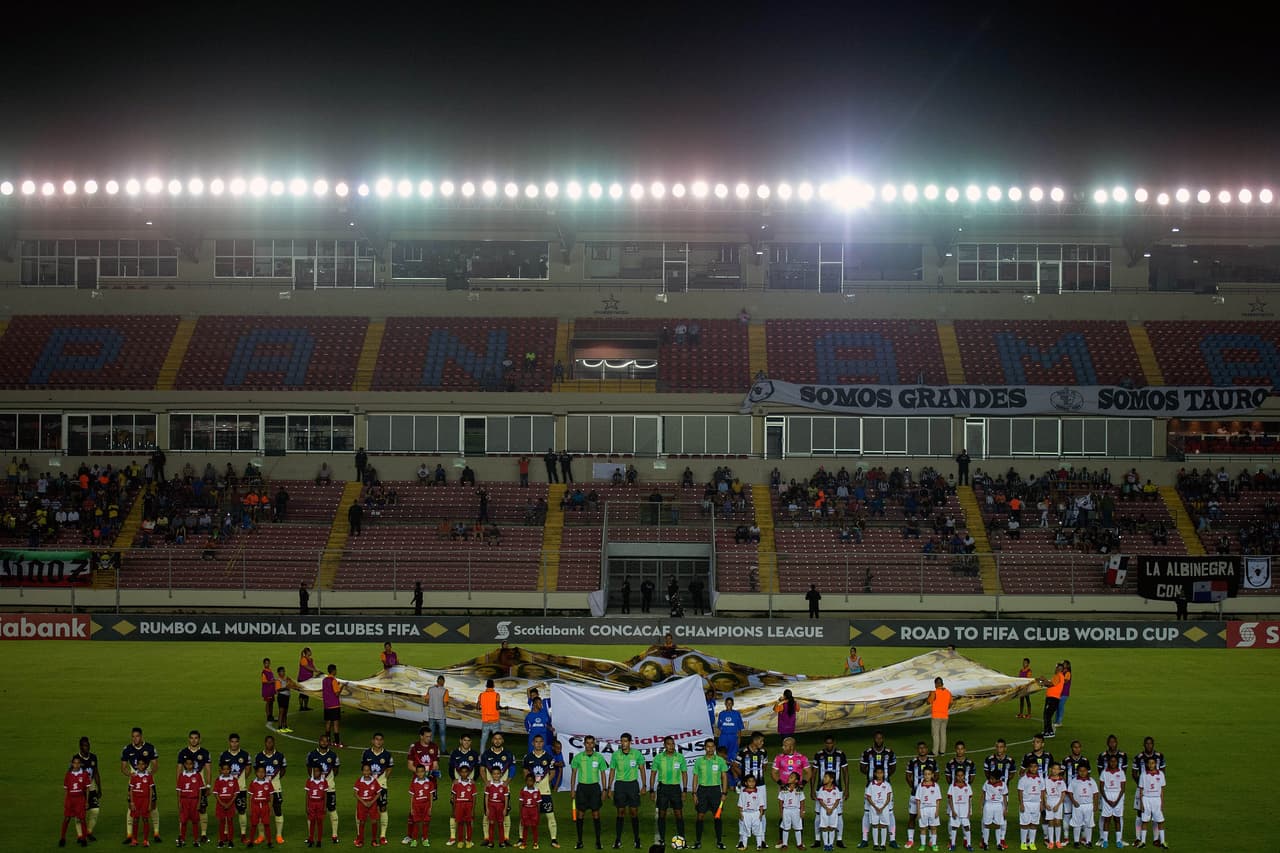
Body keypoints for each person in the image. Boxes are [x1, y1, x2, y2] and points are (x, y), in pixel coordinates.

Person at [121, 727, 160, 845]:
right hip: (134, 781)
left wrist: (148, 775)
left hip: (147, 781)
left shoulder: (149, 747)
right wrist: (131, 775)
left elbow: (155, 765)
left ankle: (156, 833)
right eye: (133, 736)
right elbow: (123, 767)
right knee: (131, 807)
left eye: (137, 736)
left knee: (152, 806)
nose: (135, 738)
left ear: (141, 736)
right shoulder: (127, 749)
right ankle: (129, 835)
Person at [607, 732, 646, 849]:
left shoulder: (637, 754)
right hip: (620, 786)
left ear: (630, 742)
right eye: (621, 741)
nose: (623, 743)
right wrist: (609, 788)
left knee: (634, 812)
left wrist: (644, 785)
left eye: (625, 741)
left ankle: (637, 840)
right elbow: (612, 771)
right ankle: (618, 840)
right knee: (620, 812)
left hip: (632, 785)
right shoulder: (615, 755)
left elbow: (642, 770)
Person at [523, 734, 561, 849]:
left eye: (540, 742)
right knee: (525, 817)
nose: (538, 744)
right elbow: (525, 772)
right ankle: (522, 839)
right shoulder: (528, 757)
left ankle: (554, 840)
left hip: (545, 792)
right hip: (531, 792)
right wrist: (530, 784)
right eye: (536, 742)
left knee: (550, 816)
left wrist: (544, 782)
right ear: (532, 743)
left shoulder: (549, 757)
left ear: (543, 743)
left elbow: (553, 773)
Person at [690, 738, 729, 850]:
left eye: (712, 746)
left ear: (715, 748)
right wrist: (694, 793)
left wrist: (724, 792)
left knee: (717, 816)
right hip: (702, 791)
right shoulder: (699, 761)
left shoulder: (720, 761)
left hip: (716, 791)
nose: (710, 749)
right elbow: (695, 777)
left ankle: (719, 841)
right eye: (708, 746)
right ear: (704, 748)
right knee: (700, 815)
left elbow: (724, 777)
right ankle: (698, 841)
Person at [570, 735, 608, 849]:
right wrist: (572, 790)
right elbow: (573, 774)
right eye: (588, 743)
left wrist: (604, 789)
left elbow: (602, 774)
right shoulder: (578, 757)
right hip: (582, 788)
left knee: (595, 814)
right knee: (580, 814)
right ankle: (580, 841)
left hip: (595, 788)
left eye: (592, 743)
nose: (590, 745)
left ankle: (598, 841)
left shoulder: (599, 757)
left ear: (594, 744)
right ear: (584, 744)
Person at [404, 727, 441, 844]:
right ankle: (409, 836)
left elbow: (435, 765)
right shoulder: (414, 748)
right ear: (421, 736)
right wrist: (421, 774)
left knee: (427, 809)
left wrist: (430, 774)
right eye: (427, 736)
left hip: (430, 783)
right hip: (417, 782)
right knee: (413, 811)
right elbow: (410, 765)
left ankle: (424, 837)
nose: (429, 738)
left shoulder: (434, 747)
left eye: (430, 736)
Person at [810, 736, 847, 849]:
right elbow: (814, 773)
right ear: (824, 743)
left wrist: (847, 789)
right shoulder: (819, 755)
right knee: (818, 814)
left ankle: (839, 839)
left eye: (830, 743)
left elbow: (845, 772)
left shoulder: (840, 754)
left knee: (839, 815)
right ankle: (817, 839)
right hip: (821, 790)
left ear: (834, 743)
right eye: (827, 743)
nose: (829, 745)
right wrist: (812, 790)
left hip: (837, 790)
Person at [176, 729, 213, 844]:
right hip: (186, 788)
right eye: (192, 738)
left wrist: (208, 785)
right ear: (189, 739)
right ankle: (181, 835)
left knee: (202, 809)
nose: (194, 740)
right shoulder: (182, 752)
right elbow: (179, 770)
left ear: (199, 739)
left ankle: (203, 834)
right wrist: (179, 785)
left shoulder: (205, 752)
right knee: (183, 810)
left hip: (200, 787)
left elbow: (208, 770)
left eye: (196, 738)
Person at [480, 733, 517, 844]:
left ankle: (505, 838)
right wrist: (486, 782)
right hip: (490, 789)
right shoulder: (486, 754)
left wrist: (507, 782)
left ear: (502, 741)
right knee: (487, 813)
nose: (497, 741)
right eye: (495, 739)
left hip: (504, 789)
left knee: (506, 813)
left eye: (499, 739)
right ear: (492, 740)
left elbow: (513, 769)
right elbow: (482, 769)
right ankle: (486, 838)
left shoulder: (508, 754)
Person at [306, 734, 342, 845]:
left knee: (332, 809)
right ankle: (311, 837)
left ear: (328, 743)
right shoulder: (311, 755)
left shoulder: (333, 755)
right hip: (315, 788)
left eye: (326, 741)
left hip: (329, 787)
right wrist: (316, 782)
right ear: (319, 741)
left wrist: (326, 781)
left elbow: (336, 770)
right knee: (311, 812)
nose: (324, 743)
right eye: (322, 741)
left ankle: (334, 835)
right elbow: (309, 769)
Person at [651, 736, 687, 846]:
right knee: (662, 814)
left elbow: (684, 774)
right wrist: (651, 790)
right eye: (668, 744)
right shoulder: (658, 758)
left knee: (679, 814)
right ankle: (661, 838)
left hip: (676, 789)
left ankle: (682, 838)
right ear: (664, 745)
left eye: (673, 743)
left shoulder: (680, 757)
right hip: (663, 789)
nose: (671, 746)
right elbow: (653, 774)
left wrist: (685, 790)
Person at [1129, 738, 1164, 847]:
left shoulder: (1159, 756)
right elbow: (1134, 773)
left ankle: (1156, 839)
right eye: (1147, 744)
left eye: (1150, 743)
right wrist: (1142, 785)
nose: (1149, 745)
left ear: (1153, 744)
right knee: (1140, 813)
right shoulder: (1138, 757)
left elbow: (1163, 772)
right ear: (1143, 745)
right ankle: (1138, 838)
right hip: (1142, 789)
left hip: (1155, 792)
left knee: (1155, 814)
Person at [219, 734, 252, 845]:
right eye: (232, 741)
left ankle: (243, 834)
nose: (234, 744)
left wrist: (240, 781)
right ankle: (226, 834)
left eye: (236, 741)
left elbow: (248, 770)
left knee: (242, 811)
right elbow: (221, 770)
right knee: (227, 812)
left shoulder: (245, 754)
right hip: (227, 790)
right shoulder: (224, 755)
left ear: (239, 742)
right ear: (229, 742)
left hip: (241, 788)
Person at [901, 740, 934, 850]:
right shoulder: (912, 762)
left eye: (924, 748)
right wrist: (915, 788)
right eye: (920, 748)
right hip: (914, 795)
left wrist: (928, 788)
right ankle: (910, 840)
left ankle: (930, 841)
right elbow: (908, 776)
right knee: (912, 817)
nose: (922, 750)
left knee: (929, 818)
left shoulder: (932, 762)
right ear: (917, 750)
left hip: (929, 796)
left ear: (927, 749)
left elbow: (937, 776)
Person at [254, 735, 287, 846]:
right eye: (267, 742)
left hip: (276, 788)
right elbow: (256, 771)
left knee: (277, 810)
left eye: (271, 742)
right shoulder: (259, 756)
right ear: (265, 743)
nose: (269, 744)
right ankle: (261, 836)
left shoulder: (280, 756)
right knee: (260, 813)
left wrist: (274, 781)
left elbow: (283, 770)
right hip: (261, 789)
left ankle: (278, 835)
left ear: (274, 743)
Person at [363, 733, 395, 847]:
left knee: (382, 807)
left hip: (382, 785)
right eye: (376, 739)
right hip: (368, 785)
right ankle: (362, 835)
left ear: (383, 741)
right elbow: (364, 768)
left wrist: (385, 778)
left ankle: (382, 835)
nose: (379, 742)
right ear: (372, 741)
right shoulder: (366, 753)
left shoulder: (386, 754)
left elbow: (390, 767)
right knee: (367, 808)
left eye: (381, 740)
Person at [72, 736, 102, 842]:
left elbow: (96, 773)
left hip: (92, 786)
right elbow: (71, 775)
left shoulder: (93, 757)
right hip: (80, 790)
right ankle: (80, 835)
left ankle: (89, 831)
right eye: (84, 745)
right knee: (79, 813)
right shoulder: (76, 759)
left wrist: (99, 788)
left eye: (88, 745)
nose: (87, 747)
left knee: (95, 810)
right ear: (80, 747)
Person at [62, 753, 90, 848]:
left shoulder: (85, 774)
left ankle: (84, 839)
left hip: (80, 799)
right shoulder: (68, 775)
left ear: (80, 764)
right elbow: (66, 789)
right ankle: (62, 838)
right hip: (70, 800)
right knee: (67, 819)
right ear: (72, 764)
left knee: (82, 819)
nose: (76, 765)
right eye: (74, 763)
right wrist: (66, 801)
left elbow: (87, 789)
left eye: (78, 763)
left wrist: (86, 801)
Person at [1098, 754, 1126, 849]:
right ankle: (1105, 840)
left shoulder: (1121, 772)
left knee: (1117, 819)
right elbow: (1101, 788)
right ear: (1108, 762)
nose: (1113, 763)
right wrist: (1107, 800)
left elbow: (1122, 788)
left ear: (1117, 762)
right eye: (1111, 761)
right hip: (1107, 797)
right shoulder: (1104, 773)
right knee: (1107, 819)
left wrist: (1117, 800)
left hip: (1118, 797)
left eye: (1115, 761)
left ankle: (1118, 840)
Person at [911, 768, 942, 853]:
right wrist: (918, 811)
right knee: (923, 828)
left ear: (932, 775)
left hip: (933, 808)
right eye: (925, 774)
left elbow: (938, 800)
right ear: (923, 775)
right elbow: (918, 800)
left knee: (933, 827)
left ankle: (934, 844)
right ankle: (923, 844)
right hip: (923, 809)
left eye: (929, 774)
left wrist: (937, 811)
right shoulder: (920, 786)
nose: (927, 776)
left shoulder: (936, 786)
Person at [1067, 764, 1098, 848]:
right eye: (1080, 771)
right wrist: (1073, 801)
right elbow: (1069, 792)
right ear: (1078, 772)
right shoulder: (1074, 781)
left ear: (1087, 771)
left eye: (1084, 771)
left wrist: (1095, 805)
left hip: (1089, 805)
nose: (1082, 773)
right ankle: (1076, 842)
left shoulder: (1091, 781)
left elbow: (1095, 793)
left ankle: (1089, 841)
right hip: (1078, 806)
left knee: (1089, 824)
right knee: (1077, 824)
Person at [1016, 761, 1044, 852]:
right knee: (1025, 824)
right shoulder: (1023, 779)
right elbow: (1020, 791)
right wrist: (1021, 804)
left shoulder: (1040, 778)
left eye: (1035, 767)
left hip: (1036, 804)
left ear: (1037, 768)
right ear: (1028, 767)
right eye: (1031, 767)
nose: (1033, 768)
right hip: (1026, 803)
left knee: (1034, 824)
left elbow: (1042, 791)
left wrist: (1041, 803)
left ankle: (1032, 842)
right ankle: (1023, 842)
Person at [862, 768, 892, 852]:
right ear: (875, 774)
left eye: (881, 773)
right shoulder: (871, 785)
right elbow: (868, 797)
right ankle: (875, 844)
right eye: (877, 773)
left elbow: (888, 798)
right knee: (875, 825)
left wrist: (882, 807)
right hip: (874, 808)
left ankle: (882, 844)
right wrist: (875, 807)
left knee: (883, 825)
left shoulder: (887, 785)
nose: (879, 775)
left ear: (883, 774)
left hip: (884, 808)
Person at [129, 758, 157, 848]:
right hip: (136, 800)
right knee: (135, 820)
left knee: (145, 819)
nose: (141, 766)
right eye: (139, 764)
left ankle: (145, 840)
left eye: (143, 764)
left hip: (145, 800)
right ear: (136, 765)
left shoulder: (149, 776)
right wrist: (132, 802)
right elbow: (131, 790)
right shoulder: (133, 776)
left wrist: (149, 804)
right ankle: (134, 840)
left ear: (146, 765)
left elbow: (151, 790)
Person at [354, 763, 383, 849]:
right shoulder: (359, 781)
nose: (366, 772)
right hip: (362, 804)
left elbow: (379, 793)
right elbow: (355, 794)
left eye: (368, 770)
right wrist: (364, 802)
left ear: (370, 771)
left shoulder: (374, 781)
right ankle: (361, 840)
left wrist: (372, 802)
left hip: (372, 804)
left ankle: (374, 840)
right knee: (362, 822)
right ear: (362, 771)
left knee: (374, 821)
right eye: (364, 770)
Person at [177, 755, 203, 847]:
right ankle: (182, 840)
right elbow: (179, 790)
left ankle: (196, 840)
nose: (189, 766)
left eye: (191, 764)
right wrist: (179, 802)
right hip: (184, 801)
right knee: (183, 821)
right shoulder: (181, 776)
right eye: (187, 764)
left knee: (195, 821)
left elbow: (200, 790)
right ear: (184, 765)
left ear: (193, 764)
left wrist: (199, 802)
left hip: (194, 801)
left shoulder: (197, 775)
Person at [409, 762, 437, 847]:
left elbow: (431, 795)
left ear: (425, 772)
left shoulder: (429, 783)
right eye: (418, 772)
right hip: (416, 806)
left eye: (422, 771)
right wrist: (411, 808)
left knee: (425, 822)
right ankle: (414, 840)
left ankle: (425, 839)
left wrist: (430, 808)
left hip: (426, 805)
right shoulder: (414, 783)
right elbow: (412, 797)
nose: (420, 773)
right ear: (416, 773)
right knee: (416, 823)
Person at [213, 760, 240, 849]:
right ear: (220, 770)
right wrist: (222, 803)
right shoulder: (218, 780)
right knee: (221, 822)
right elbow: (216, 794)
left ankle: (230, 840)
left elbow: (236, 794)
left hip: (230, 803)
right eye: (223, 769)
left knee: (230, 822)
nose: (225, 771)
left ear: (230, 770)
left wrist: (229, 803)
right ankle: (221, 840)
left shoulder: (234, 780)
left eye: (227, 769)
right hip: (221, 803)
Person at [980, 770, 1008, 852]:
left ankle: (998, 843)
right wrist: (981, 805)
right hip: (988, 805)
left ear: (998, 779)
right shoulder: (987, 783)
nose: (991, 780)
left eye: (993, 779)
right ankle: (985, 843)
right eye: (990, 778)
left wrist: (1005, 808)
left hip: (998, 805)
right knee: (987, 824)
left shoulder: (1003, 785)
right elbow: (983, 794)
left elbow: (1004, 797)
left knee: (998, 824)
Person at [737, 773, 766, 851]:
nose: (752, 783)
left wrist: (761, 813)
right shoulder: (743, 793)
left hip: (756, 813)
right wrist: (741, 813)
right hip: (746, 813)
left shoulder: (758, 792)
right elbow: (740, 805)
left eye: (753, 781)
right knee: (745, 829)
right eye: (749, 781)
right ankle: (744, 845)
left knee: (758, 829)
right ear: (746, 783)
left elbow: (761, 804)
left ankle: (759, 845)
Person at [778, 772, 807, 850]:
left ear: (796, 781)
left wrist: (802, 811)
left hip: (796, 811)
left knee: (797, 827)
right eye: (789, 776)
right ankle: (784, 844)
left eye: (792, 777)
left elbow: (802, 801)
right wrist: (781, 811)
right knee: (785, 827)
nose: (789, 777)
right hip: (786, 810)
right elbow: (780, 801)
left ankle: (799, 844)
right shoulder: (783, 789)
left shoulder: (799, 789)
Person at [451, 764, 478, 848]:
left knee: (469, 823)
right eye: (462, 772)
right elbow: (454, 798)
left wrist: (473, 809)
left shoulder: (472, 783)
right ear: (459, 773)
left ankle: (469, 840)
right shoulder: (456, 783)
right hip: (459, 805)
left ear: (469, 773)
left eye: (466, 772)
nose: (464, 774)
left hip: (468, 805)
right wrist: (454, 809)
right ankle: (460, 841)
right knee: (460, 823)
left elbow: (474, 798)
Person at [946, 769, 973, 852]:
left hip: (965, 811)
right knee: (954, 827)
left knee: (966, 827)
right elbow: (950, 799)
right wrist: (952, 811)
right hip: (956, 811)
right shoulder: (952, 786)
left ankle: (969, 844)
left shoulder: (967, 786)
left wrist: (969, 811)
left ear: (964, 776)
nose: (960, 777)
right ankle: (953, 844)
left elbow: (969, 800)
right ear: (955, 776)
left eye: (961, 775)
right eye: (958, 775)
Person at [248, 765, 274, 848]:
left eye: (263, 772)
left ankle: (269, 842)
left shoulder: (268, 783)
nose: (261, 774)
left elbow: (271, 796)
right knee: (254, 824)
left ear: (265, 773)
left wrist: (270, 807)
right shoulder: (253, 783)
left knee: (266, 824)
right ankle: (251, 841)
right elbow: (250, 797)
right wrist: (250, 808)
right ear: (256, 773)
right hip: (255, 806)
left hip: (265, 806)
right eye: (259, 772)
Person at [815, 771, 843, 852]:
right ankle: (825, 845)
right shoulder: (821, 789)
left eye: (826, 777)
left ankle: (830, 844)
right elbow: (820, 801)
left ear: (831, 779)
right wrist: (827, 808)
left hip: (833, 810)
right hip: (824, 810)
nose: (824, 779)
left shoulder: (836, 789)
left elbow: (837, 801)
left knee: (832, 828)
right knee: (824, 828)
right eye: (824, 777)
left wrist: (832, 808)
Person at [1042, 763, 1066, 851]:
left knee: (1057, 821)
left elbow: (1063, 794)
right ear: (1051, 769)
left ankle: (1058, 841)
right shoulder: (1046, 780)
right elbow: (1044, 792)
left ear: (1060, 771)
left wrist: (1058, 804)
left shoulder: (1062, 781)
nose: (1055, 771)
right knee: (1050, 821)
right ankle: (1051, 841)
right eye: (1053, 768)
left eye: (1057, 769)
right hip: (1049, 802)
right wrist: (1045, 803)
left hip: (1058, 802)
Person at [1037, 664, 1065, 739]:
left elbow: (1050, 684)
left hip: (1053, 698)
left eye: (1056, 667)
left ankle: (1048, 732)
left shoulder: (1058, 675)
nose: (1055, 669)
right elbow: (1051, 684)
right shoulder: (1059, 676)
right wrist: (1043, 681)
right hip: (1053, 698)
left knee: (1047, 715)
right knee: (1047, 714)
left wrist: (1043, 680)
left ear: (1059, 669)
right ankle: (1048, 731)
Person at [485, 767, 511, 847]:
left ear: (501, 774)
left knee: (500, 823)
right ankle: (491, 841)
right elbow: (486, 797)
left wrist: (505, 808)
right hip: (491, 805)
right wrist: (487, 808)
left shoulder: (504, 785)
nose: (496, 775)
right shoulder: (489, 784)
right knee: (491, 823)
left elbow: (506, 798)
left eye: (498, 774)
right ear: (492, 775)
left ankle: (501, 841)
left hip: (500, 805)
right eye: (494, 774)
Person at [305, 764, 329, 848]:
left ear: (321, 772)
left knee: (319, 822)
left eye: (317, 771)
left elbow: (325, 795)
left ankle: (319, 841)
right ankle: (311, 840)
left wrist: (325, 806)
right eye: (314, 771)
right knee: (312, 822)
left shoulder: (324, 781)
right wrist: (307, 806)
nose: (315, 773)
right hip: (311, 803)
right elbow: (307, 795)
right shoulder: (309, 781)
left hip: (320, 803)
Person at [323, 665, 347, 748]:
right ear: (333, 671)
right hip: (334, 705)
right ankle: (337, 742)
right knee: (336, 724)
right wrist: (342, 686)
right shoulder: (333, 680)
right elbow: (337, 693)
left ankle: (327, 741)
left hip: (327, 705)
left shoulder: (324, 680)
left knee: (328, 723)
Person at [927, 678, 952, 758]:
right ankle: (942, 751)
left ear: (936, 684)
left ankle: (935, 752)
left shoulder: (934, 693)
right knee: (943, 734)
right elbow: (951, 703)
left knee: (935, 734)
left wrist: (929, 695)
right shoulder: (948, 692)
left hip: (936, 716)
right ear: (942, 683)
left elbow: (928, 702)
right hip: (945, 716)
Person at [478, 680, 503, 754]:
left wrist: (484, 708)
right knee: (498, 740)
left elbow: (477, 707)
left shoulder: (481, 695)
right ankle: (498, 755)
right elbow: (497, 707)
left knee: (483, 740)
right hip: (495, 720)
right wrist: (504, 708)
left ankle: (482, 757)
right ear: (493, 686)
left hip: (485, 720)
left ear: (486, 686)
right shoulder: (496, 695)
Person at [519, 771, 543, 848]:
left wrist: (538, 813)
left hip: (534, 810)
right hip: (525, 810)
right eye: (528, 781)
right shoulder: (523, 790)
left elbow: (539, 803)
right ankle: (524, 843)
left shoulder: (537, 791)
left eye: (531, 781)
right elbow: (520, 803)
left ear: (534, 782)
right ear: (526, 781)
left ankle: (535, 843)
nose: (529, 782)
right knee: (525, 827)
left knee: (534, 827)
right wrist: (521, 812)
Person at [275, 666, 295, 733]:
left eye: (283, 671)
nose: (283, 673)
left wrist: (291, 682)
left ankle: (285, 726)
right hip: (281, 696)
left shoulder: (286, 679)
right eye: (281, 671)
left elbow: (291, 684)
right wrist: (286, 688)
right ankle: (279, 727)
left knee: (285, 712)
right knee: (281, 712)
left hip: (286, 696)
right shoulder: (278, 680)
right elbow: (278, 689)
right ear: (278, 673)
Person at [1053, 661, 1072, 730]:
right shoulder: (1062, 672)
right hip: (1059, 692)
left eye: (1064, 664)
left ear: (1067, 665)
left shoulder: (1067, 673)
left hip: (1064, 693)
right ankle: (1056, 721)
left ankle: (1059, 722)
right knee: (1057, 707)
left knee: (1060, 707)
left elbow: (1065, 681)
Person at [298, 648, 316, 712]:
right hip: (302, 678)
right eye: (309, 651)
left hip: (308, 679)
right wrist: (315, 670)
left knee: (307, 693)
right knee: (302, 693)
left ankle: (305, 706)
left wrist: (316, 670)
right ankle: (301, 706)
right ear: (306, 652)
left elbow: (313, 666)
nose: (310, 652)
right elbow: (307, 667)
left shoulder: (311, 659)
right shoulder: (303, 659)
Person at [261, 658, 278, 724]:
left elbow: (271, 679)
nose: (267, 664)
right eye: (266, 663)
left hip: (271, 689)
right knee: (268, 703)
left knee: (271, 703)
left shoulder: (270, 670)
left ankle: (271, 715)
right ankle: (268, 716)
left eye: (268, 663)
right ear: (264, 664)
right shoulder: (264, 672)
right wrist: (273, 681)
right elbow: (264, 682)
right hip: (267, 690)